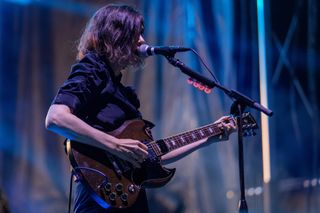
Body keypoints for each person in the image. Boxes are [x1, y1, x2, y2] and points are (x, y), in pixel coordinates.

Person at [45, 4, 236, 213]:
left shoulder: (124, 94)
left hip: (131, 199)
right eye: (136, 34)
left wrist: (212, 136)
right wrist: (115, 145)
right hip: (100, 199)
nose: (143, 41)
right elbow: (55, 117)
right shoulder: (92, 69)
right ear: (116, 35)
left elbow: (151, 155)